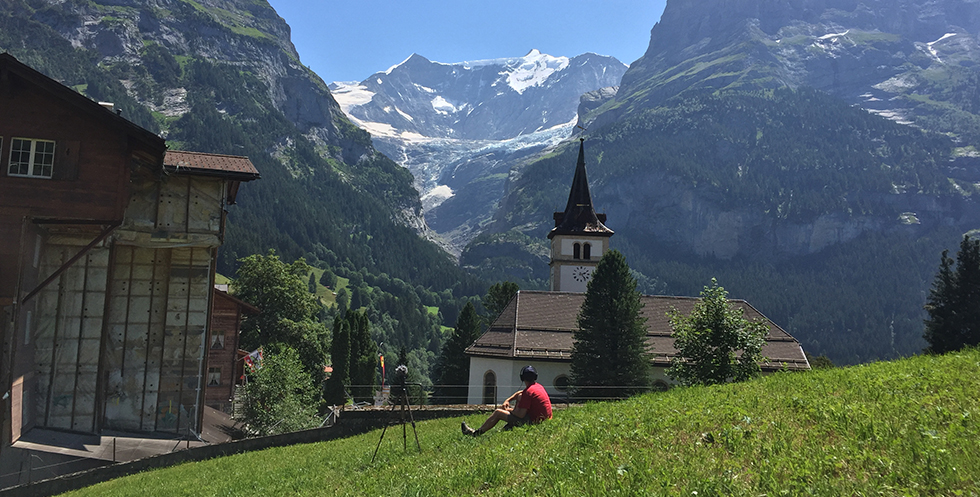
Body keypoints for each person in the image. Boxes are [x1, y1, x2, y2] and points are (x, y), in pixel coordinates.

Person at [462, 365, 552, 436]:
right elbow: (520, 393)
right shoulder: (537, 387)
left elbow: (520, 415)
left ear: (522, 377)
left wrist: (507, 409)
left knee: (498, 412)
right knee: (519, 399)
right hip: (543, 420)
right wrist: (508, 400)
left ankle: (476, 433)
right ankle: (505, 430)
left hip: (534, 422)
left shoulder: (528, 392)